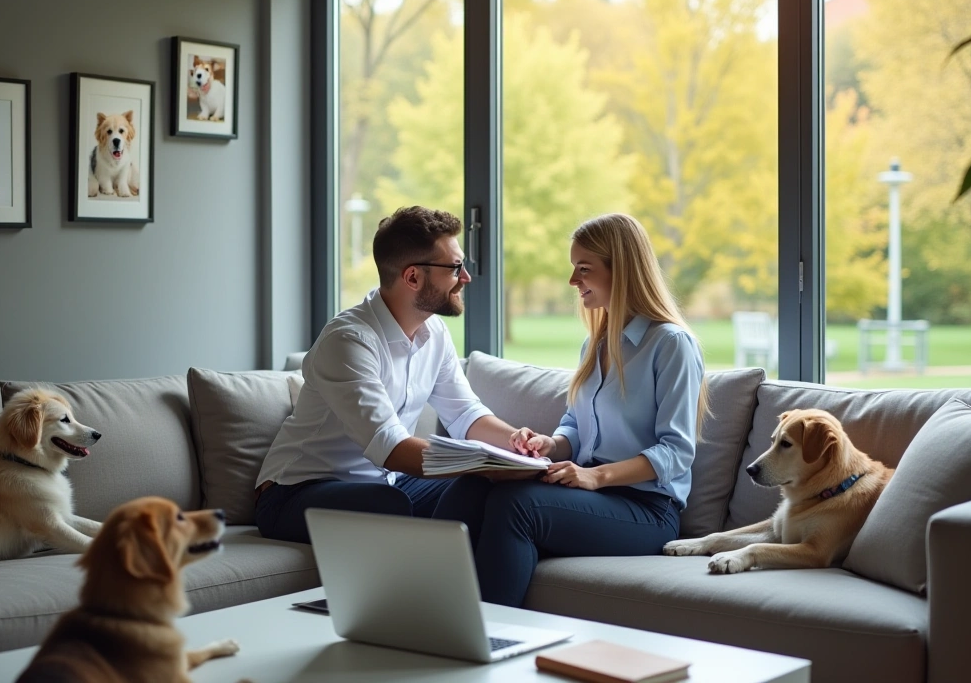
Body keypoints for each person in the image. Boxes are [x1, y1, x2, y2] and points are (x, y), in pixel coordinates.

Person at [432, 213, 707, 607]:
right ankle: (428, 611)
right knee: (476, 484)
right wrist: (551, 445)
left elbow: (676, 451)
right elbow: (575, 426)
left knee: (518, 506)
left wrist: (595, 476)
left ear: (622, 270)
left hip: (647, 510)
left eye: (584, 269)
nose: (573, 281)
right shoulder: (593, 345)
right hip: (595, 496)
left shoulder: (670, 345)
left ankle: (494, 633)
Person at [254, 206, 534, 544]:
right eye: (456, 267)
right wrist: (482, 462)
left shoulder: (435, 332)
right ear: (413, 277)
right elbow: (391, 449)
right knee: (390, 505)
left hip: (383, 484)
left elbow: (464, 413)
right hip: (294, 492)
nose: (466, 278)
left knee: (478, 490)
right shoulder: (349, 340)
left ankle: (455, 588)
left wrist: (517, 444)